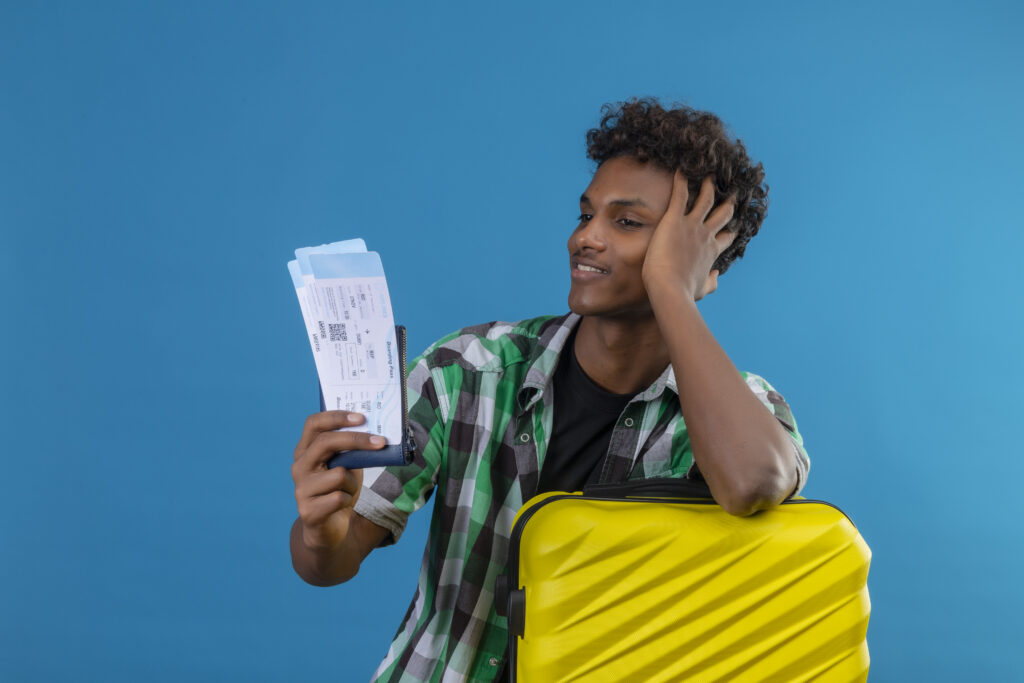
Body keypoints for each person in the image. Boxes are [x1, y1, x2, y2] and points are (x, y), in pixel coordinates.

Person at [289, 98, 810, 682]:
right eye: (586, 214)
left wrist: (670, 288)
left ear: (706, 267)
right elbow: (328, 563)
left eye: (627, 222)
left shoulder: (745, 413)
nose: (585, 237)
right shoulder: (465, 370)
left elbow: (751, 483)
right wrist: (322, 531)